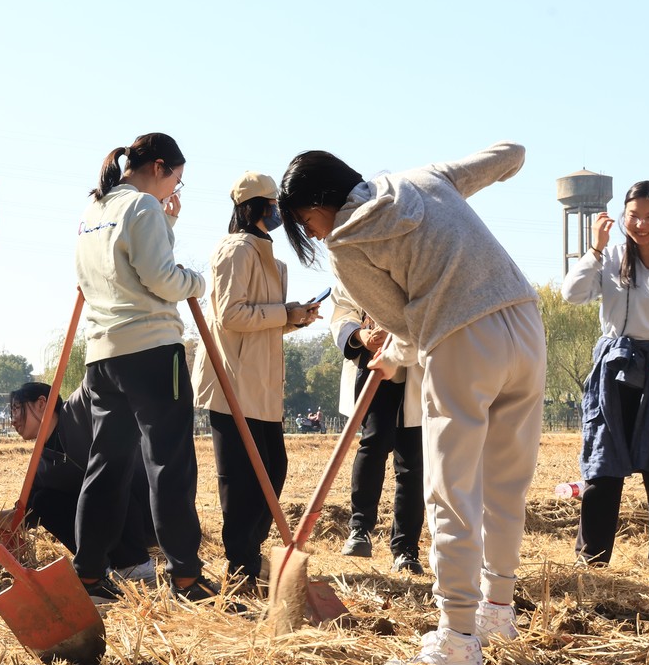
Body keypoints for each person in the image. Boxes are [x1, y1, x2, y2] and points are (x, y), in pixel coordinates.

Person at [279, 141, 544, 665]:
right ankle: (496, 608)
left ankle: (457, 639)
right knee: (506, 483)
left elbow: (402, 322)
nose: (313, 233)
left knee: (451, 489)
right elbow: (508, 154)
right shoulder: (423, 178)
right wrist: (509, 165)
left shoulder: (347, 246)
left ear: (325, 201)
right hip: (524, 321)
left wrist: (393, 353)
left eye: (307, 220)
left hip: (463, 339)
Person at [73, 132, 227, 606]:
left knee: (107, 465)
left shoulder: (93, 212)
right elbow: (161, 278)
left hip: (102, 355)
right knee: (169, 464)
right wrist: (198, 282)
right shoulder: (142, 207)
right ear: (159, 167)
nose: (173, 191)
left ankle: (89, 576)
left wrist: (167, 223)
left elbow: (127, 268)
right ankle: (185, 577)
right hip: (153, 351)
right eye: (176, 180)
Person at [561, 181, 649, 574]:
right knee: (603, 464)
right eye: (634, 215)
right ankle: (592, 561)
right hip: (615, 366)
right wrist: (594, 249)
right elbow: (572, 294)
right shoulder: (611, 255)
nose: (640, 224)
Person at [192, 171, 320, 587]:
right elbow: (231, 315)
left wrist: (296, 316)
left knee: (274, 469)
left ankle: (249, 553)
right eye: (274, 204)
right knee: (242, 477)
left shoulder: (271, 259)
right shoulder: (236, 250)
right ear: (258, 207)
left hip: (263, 382)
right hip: (234, 380)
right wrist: (284, 314)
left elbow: (262, 319)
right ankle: (241, 562)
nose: (280, 212)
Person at [0, 381, 156, 583]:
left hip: (146, 508)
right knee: (44, 500)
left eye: (16, 408)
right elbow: (24, 518)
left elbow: (95, 382)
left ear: (42, 403)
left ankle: (136, 565)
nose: (13, 420)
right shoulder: (41, 465)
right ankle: (102, 567)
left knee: (108, 473)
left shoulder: (77, 410)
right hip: (110, 526)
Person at [332, 288, 425, 573]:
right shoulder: (351, 257)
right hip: (374, 366)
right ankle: (360, 529)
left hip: (415, 368)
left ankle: (406, 548)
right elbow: (342, 308)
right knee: (372, 446)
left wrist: (399, 335)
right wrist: (362, 337)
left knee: (412, 463)